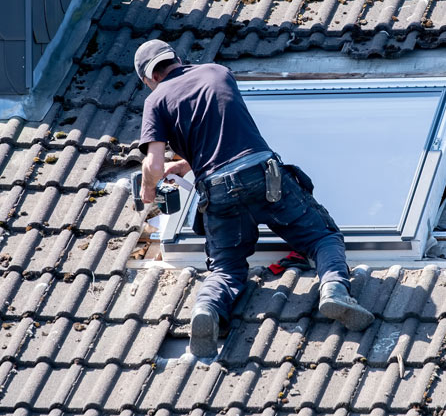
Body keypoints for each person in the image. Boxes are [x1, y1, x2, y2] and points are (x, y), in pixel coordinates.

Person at [134, 39, 374, 357]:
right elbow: (225, 132)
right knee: (322, 237)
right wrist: (185, 163)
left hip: (216, 190)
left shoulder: (156, 101)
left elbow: (152, 164)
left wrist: (149, 189)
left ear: (147, 79)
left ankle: (206, 309)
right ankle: (333, 289)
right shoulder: (217, 72)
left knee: (226, 267)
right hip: (263, 175)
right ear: (177, 58)